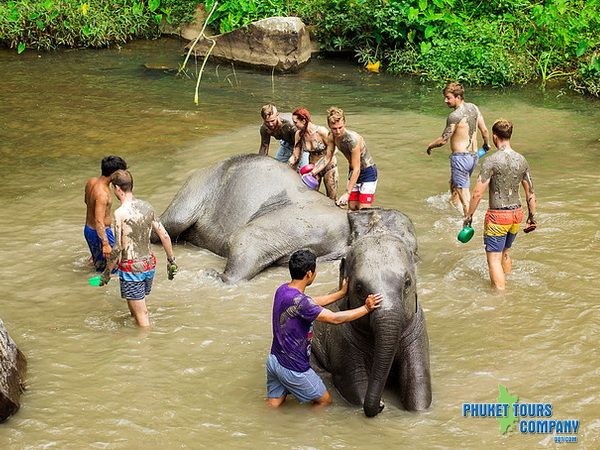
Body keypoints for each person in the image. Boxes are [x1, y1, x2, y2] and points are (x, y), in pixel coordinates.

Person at [266, 249, 382, 408]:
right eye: (315, 271)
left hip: (274, 361)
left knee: (274, 405)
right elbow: (334, 319)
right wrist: (366, 309)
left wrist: (340, 294)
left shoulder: (283, 290)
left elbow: (309, 302)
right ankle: (307, 431)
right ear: (309, 274)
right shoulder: (302, 303)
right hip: (293, 369)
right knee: (324, 401)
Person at [463, 119, 537, 291]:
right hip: (516, 215)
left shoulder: (491, 161)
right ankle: (507, 283)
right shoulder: (521, 160)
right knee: (505, 252)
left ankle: (501, 300)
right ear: (509, 135)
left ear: (495, 137)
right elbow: (530, 193)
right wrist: (532, 217)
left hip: (498, 217)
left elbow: (477, 193)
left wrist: (469, 216)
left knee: (493, 260)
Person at [99, 170, 178, 327]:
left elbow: (118, 248)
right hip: (149, 265)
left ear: (117, 188)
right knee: (135, 307)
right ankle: (134, 336)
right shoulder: (147, 207)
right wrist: (171, 261)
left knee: (142, 316)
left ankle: (145, 345)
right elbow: (165, 236)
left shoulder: (120, 213)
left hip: (132, 268)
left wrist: (107, 273)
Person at [426, 82, 490, 216]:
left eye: (448, 97)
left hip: (460, 158)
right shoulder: (474, 108)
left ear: (458, 97)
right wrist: (486, 144)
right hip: (473, 157)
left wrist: (430, 145)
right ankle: (454, 204)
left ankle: (468, 221)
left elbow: (443, 140)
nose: (445, 101)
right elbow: (484, 130)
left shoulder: (454, 116)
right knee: (454, 183)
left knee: (464, 194)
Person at [311, 107, 377, 210]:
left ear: (344, 123)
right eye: (334, 128)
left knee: (363, 209)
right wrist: (313, 172)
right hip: (353, 171)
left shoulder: (353, 140)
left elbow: (357, 168)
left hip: (367, 172)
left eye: (340, 127)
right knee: (352, 208)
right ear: (329, 126)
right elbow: (327, 158)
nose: (337, 131)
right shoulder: (331, 137)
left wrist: (347, 192)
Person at [84, 155, 128, 271]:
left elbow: (87, 202)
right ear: (114, 174)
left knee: (100, 264)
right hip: (100, 231)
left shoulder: (91, 182)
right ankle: (97, 287)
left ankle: (91, 274)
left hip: (89, 230)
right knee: (113, 266)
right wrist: (105, 244)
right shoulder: (102, 193)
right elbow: (99, 221)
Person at [288, 107, 339, 201]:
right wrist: (287, 170)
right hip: (313, 168)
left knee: (332, 199)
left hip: (329, 167)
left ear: (303, 120)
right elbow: (295, 156)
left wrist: (320, 165)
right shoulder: (299, 135)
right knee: (311, 198)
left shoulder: (321, 131)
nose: (294, 125)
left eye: (295, 122)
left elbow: (334, 150)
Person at [258, 103, 308, 169]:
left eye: (272, 121)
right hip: (286, 144)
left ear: (277, 115)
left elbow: (299, 144)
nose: (270, 124)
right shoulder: (265, 128)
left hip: (302, 144)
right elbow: (264, 147)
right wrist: (260, 164)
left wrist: (293, 164)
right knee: (277, 169)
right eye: (267, 122)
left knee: (303, 172)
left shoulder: (289, 125)